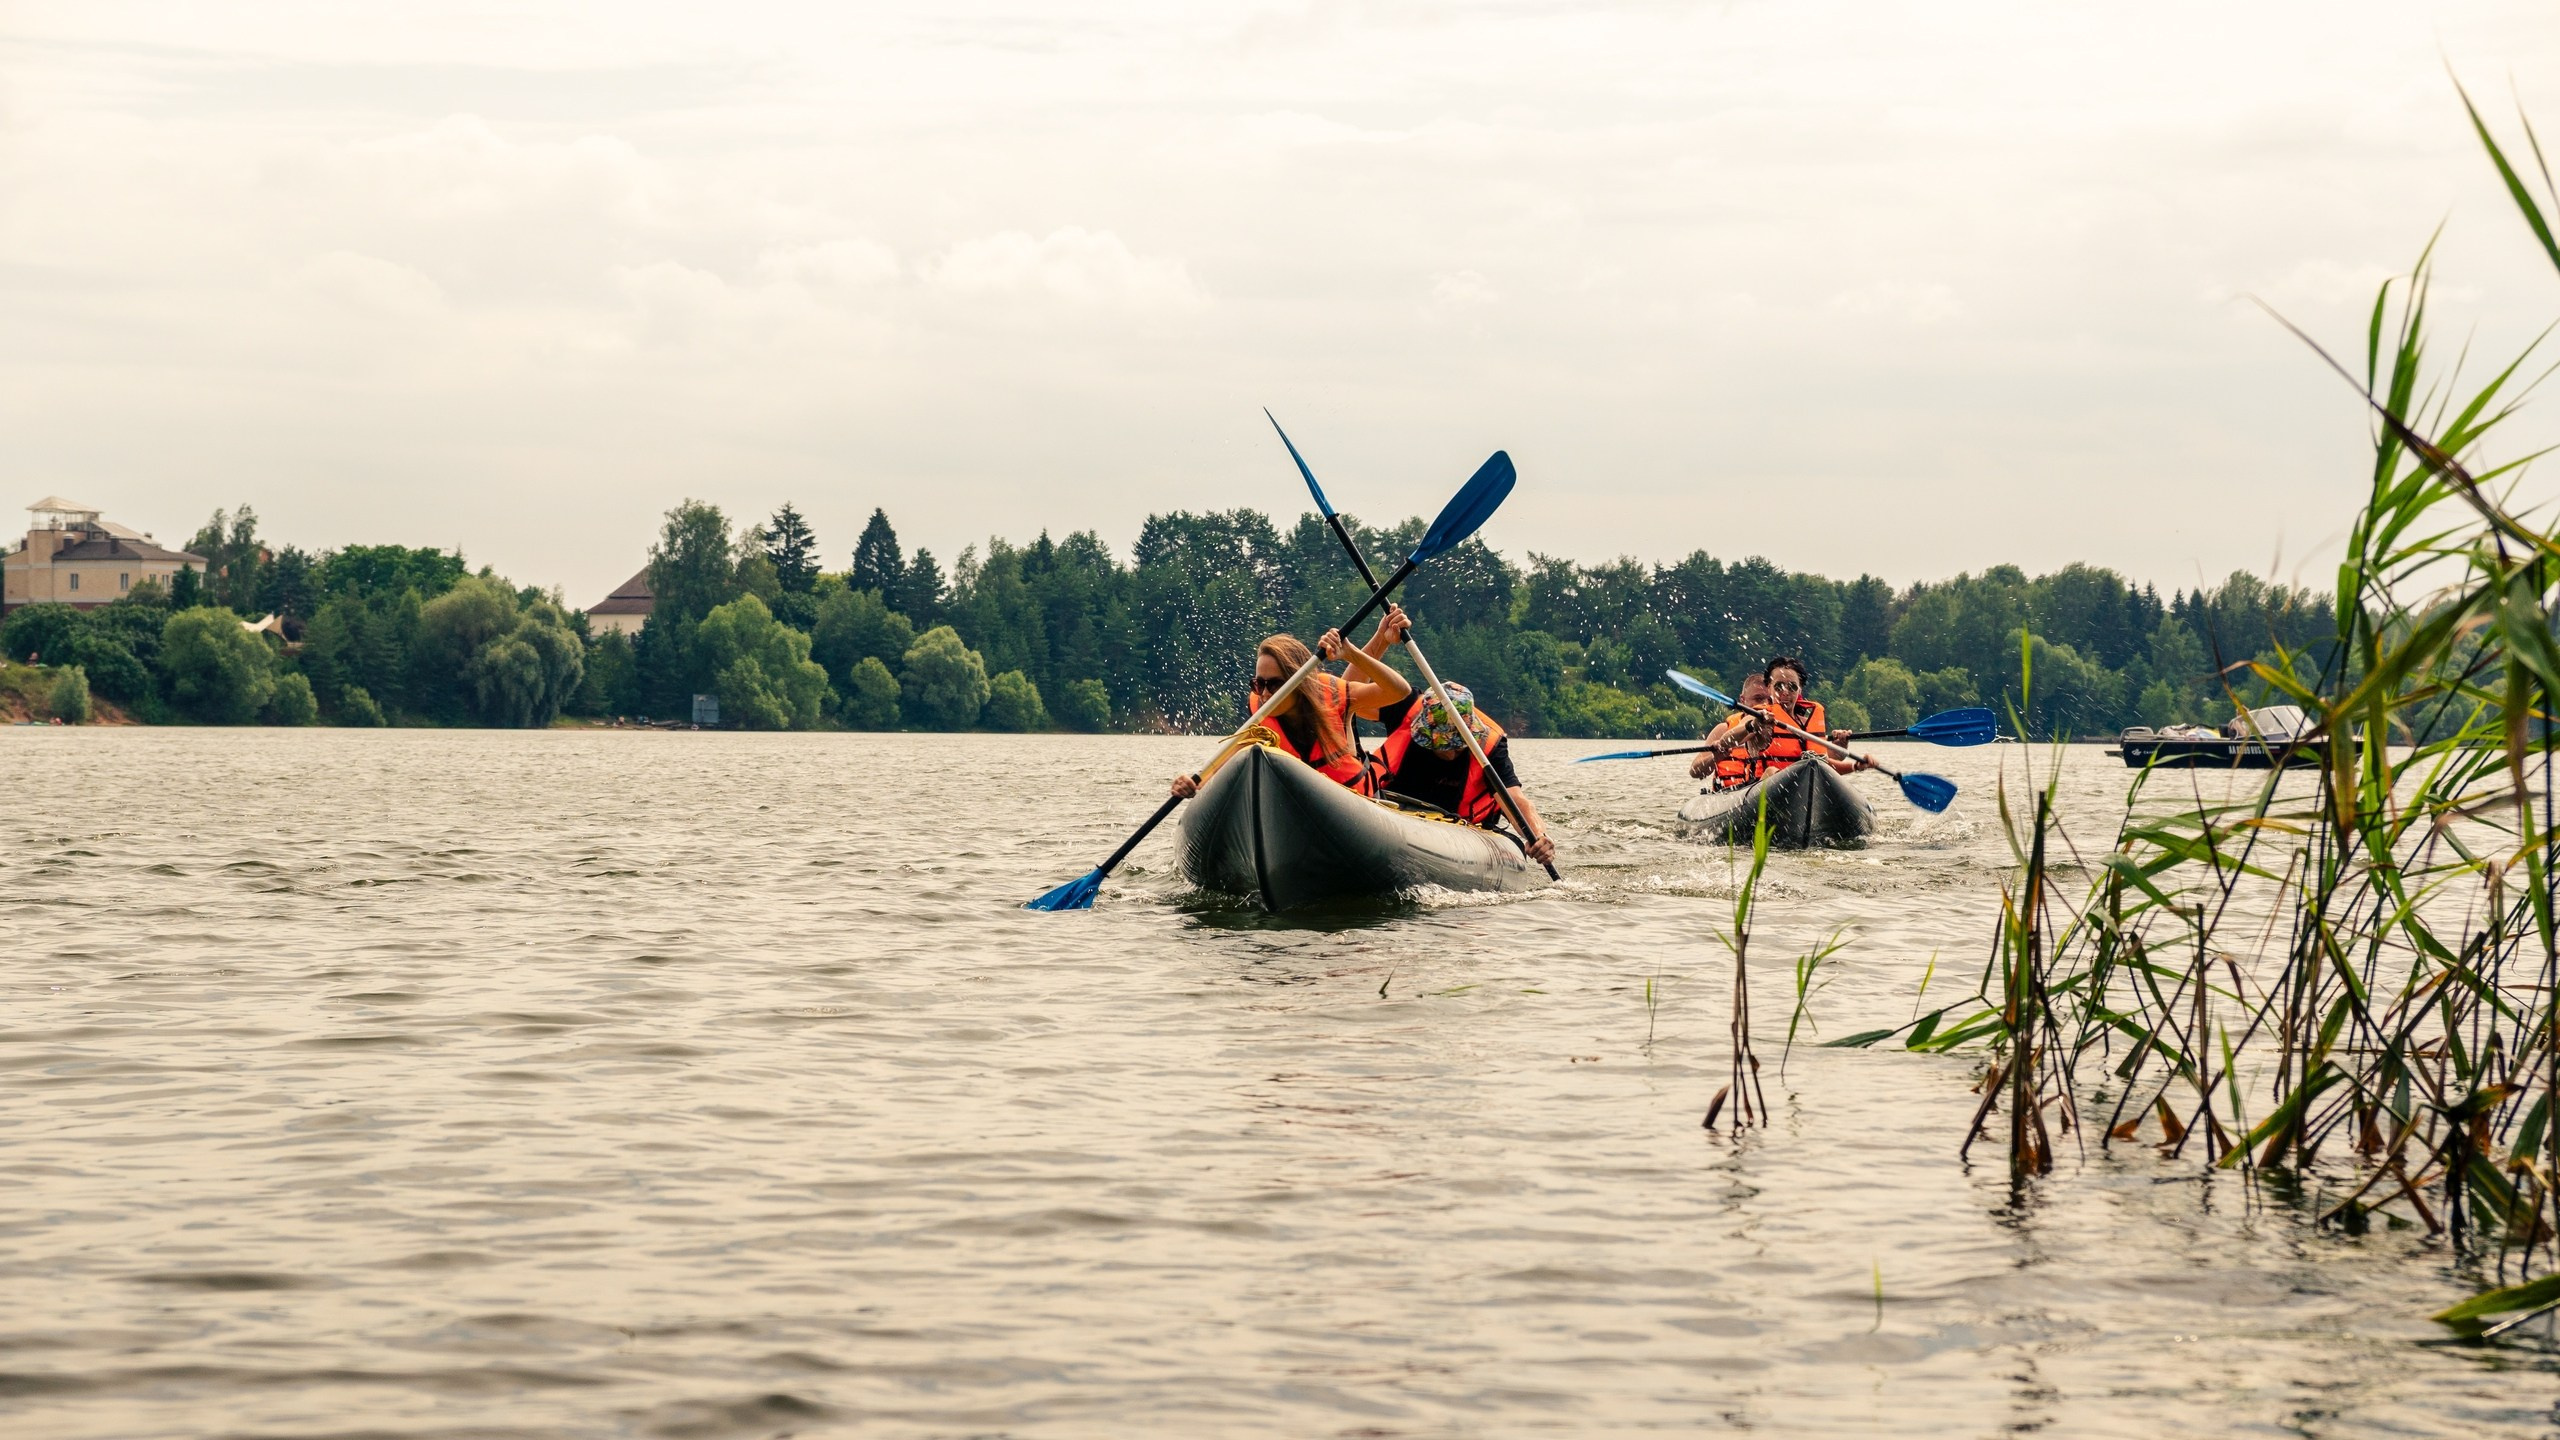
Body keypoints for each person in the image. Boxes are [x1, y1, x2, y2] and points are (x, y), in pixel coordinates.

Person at [1355, 607, 1558, 865]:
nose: (1450, 753)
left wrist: (1538, 836)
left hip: (1458, 828)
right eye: (1440, 745)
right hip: (1391, 812)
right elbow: (1345, 696)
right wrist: (1381, 640)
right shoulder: (1405, 707)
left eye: (1457, 745)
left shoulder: (1489, 746)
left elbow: (1515, 799)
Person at [1169, 626, 1410, 797]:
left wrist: (1351, 653)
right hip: (1299, 806)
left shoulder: (1334, 695)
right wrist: (1192, 785)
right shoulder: (1260, 723)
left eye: (1274, 684)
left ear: (1299, 683)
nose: (1265, 694)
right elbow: (1216, 770)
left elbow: (1400, 690)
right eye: (1259, 684)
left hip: (1356, 803)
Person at [1691, 655, 1864, 788]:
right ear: (1769, 688)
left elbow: (1825, 761)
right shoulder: (1759, 717)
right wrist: (1753, 726)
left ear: (1800, 690)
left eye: (1792, 687)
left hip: (1801, 789)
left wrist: (1842, 748)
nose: (1785, 692)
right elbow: (1727, 740)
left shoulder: (1806, 722)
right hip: (1760, 789)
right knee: (1772, 771)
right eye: (1779, 687)